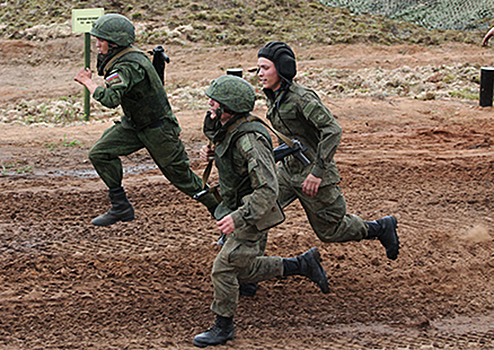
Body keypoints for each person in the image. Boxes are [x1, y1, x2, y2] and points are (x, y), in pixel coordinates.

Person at [194, 75, 329, 348]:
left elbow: (267, 192)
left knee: (224, 268)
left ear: (229, 106)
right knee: (242, 269)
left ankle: (223, 326)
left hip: (253, 211)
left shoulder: (250, 141)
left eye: (215, 101)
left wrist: (237, 218)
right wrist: (209, 153)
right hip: (240, 206)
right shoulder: (229, 126)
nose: (210, 103)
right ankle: (302, 264)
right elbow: (218, 140)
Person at [256, 41, 400, 259]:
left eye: (265, 68)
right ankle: (249, 270)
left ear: (282, 68)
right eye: (258, 68)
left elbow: (332, 130)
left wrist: (317, 173)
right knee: (260, 213)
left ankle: (379, 228)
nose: (259, 74)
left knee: (331, 231)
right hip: (287, 172)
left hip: (312, 172)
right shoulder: (274, 97)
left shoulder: (302, 98)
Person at [74, 14, 217, 226]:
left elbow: (111, 99)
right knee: (100, 153)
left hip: (158, 129)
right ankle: (121, 206)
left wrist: (88, 83)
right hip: (134, 125)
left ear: (114, 43)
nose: (97, 45)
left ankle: (223, 213)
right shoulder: (124, 58)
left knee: (182, 178)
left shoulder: (127, 66)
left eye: (100, 40)